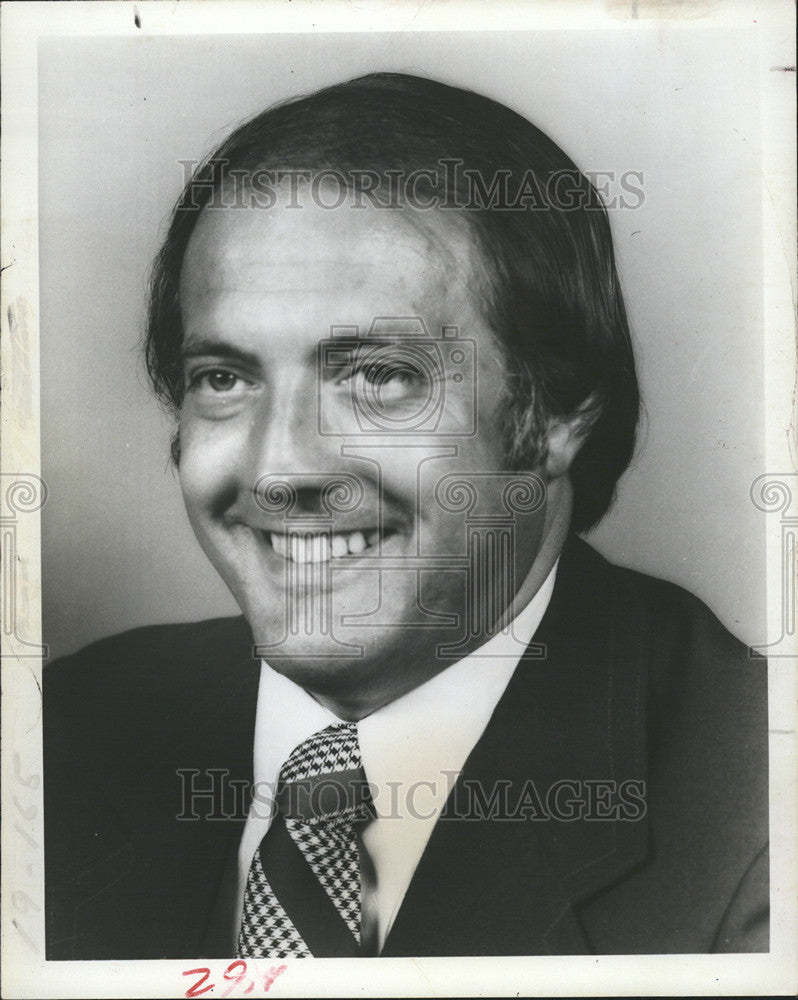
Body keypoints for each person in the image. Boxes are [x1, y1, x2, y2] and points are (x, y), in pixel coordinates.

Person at [43, 72, 768, 959]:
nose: (280, 468)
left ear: (557, 416)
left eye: (378, 376)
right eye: (224, 379)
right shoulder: (60, 736)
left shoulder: (756, 810)